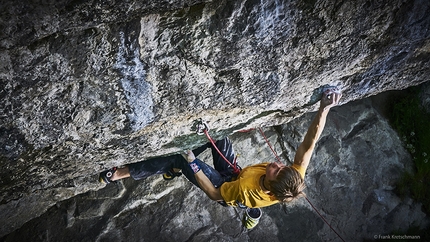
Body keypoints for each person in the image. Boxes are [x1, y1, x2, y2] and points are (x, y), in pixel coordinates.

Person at [99, 89, 342, 228]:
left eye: (275, 170)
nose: (276, 163)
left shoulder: (247, 190)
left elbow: (215, 194)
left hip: (224, 188)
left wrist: (193, 164)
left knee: (181, 159)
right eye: (282, 165)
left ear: (270, 185)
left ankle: (123, 173)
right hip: (238, 176)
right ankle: (250, 211)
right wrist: (324, 109)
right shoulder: (293, 177)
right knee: (220, 136)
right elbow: (309, 144)